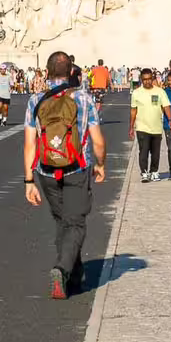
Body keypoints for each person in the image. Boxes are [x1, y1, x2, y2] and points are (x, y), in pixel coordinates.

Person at [23, 50, 106, 299]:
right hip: (77, 168)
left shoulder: (35, 100)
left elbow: (30, 144)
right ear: (71, 72)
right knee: (76, 223)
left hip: (46, 171)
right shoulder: (83, 98)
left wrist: (29, 181)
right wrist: (100, 164)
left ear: (46, 73)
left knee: (63, 222)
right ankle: (61, 269)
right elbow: (98, 141)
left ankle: (73, 276)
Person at [129, 68, 171, 182]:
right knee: (143, 151)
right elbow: (133, 110)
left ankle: (154, 172)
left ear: (152, 79)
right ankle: (144, 172)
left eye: (149, 79)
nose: (147, 82)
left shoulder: (160, 92)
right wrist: (131, 126)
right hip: (142, 127)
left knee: (155, 152)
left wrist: (170, 120)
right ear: (141, 80)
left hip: (156, 127)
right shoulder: (136, 93)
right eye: (144, 80)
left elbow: (166, 106)